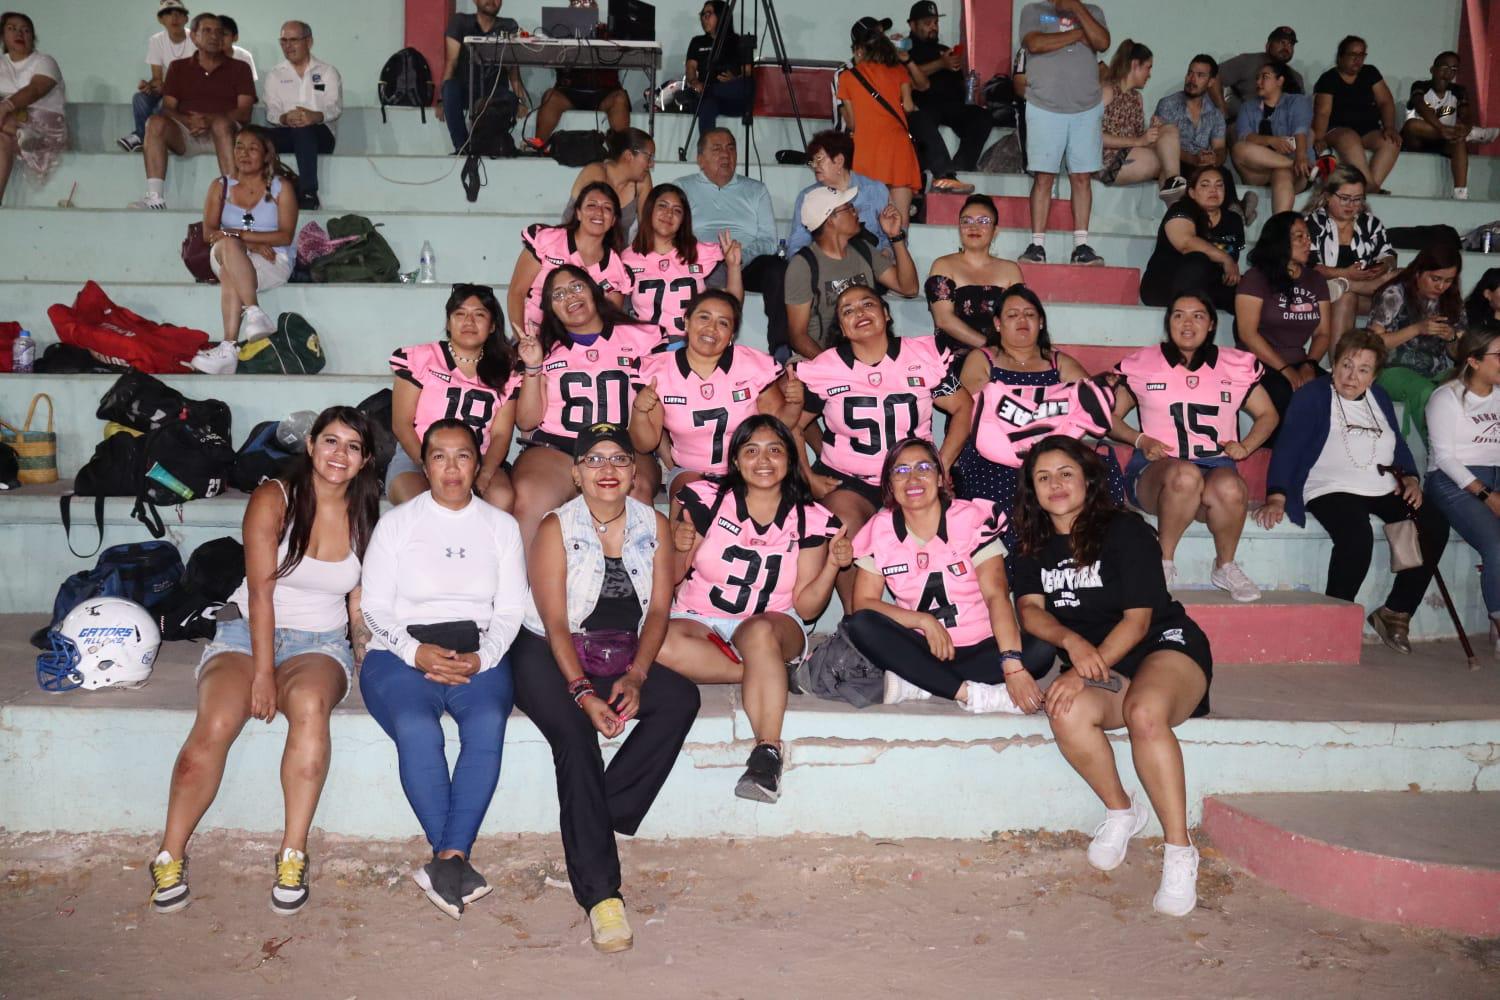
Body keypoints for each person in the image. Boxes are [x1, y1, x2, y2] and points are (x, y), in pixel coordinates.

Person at [148, 407, 380, 917]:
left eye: (353, 447)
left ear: (364, 461)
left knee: (311, 707)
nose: (339, 454)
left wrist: (366, 657)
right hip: (247, 631)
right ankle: (169, 852)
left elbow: (357, 600)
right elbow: (260, 594)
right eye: (330, 442)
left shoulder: (367, 512)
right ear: (311, 445)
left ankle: (292, 852)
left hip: (319, 641)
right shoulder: (273, 497)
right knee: (216, 720)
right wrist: (261, 674)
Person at [512, 421, 699, 953]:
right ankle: (601, 897)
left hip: (616, 650)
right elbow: (552, 624)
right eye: (594, 460)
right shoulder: (555, 527)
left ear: (634, 470)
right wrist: (583, 693)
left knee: (679, 699)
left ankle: (601, 809)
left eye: (618, 458)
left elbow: (660, 609)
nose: (608, 469)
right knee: (576, 739)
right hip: (548, 653)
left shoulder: (653, 524)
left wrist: (638, 675)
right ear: (576, 473)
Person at [1010, 435, 1213, 917]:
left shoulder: (1126, 530)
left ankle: (1180, 850)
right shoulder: (1031, 544)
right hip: (1099, 662)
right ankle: (1122, 810)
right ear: (1032, 490)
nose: (1055, 484)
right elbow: (1031, 612)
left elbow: (1139, 620)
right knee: (1064, 710)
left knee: (1145, 712)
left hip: (1163, 648)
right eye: (1043, 477)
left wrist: (1083, 666)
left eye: (1065, 473)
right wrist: (1072, 644)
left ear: (1087, 478)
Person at [359, 419, 526, 920]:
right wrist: (415, 653)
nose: (451, 468)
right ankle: (453, 857)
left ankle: (446, 860)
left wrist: (483, 657)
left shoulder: (501, 526)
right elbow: (373, 609)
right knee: (416, 727)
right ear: (424, 464)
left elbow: (511, 609)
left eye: (462, 456)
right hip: (399, 652)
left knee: (486, 724)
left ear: (478, 464)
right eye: (438, 456)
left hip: (477, 650)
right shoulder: (399, 523)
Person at [660, 416, 846, 802]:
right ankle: (771, 674)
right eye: (752, 450)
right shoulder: (707, 498)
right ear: (736, 460)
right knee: (656, 643)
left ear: (791, 460)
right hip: (700, 618)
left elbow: (807, 606)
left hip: (772, 622)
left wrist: (831, 565)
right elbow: (674, 577)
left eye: (775, 450)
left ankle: (767, 752)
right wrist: (679, 546)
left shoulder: (810, 518)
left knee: (760, 633)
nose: (764, 460)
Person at [1255, 329, 1448, 654]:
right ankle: (1334, 619)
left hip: (1382, 486)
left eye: (1362, 370)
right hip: (1330, 487)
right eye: (1346, 365)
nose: (1351, 376)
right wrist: (1276, 494)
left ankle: (1396, 612)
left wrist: (1412, 478)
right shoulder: (1312, 395)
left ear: (1374, 375)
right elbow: (1288, 447)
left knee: (1433, 524)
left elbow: (1396, 444)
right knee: (1355, 536)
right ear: (1335, 362)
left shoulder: (1380, 398)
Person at [797, 284, 972, 604]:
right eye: (847, 310)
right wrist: (810, 472)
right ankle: (856, 623)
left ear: (886, 314)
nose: (859, 313)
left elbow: (964, 407)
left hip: (913, 475)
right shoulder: (826, 366)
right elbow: (794, 426)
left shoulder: (921, 354)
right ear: (842, 327)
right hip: (850, 480)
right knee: (840, 529)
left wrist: (942, 463)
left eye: (867, 305)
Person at [847, 437, 1043, 713]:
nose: (913, 479)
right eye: (901, 471)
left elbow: (996, 596)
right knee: (861, 624)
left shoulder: (971, 518)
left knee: (1042, 648)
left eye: (923, 468)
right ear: (890, 484)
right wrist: (923, 621)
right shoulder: (880, 528)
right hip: (922, 647)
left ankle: (923, 682)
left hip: (980, 645)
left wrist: (1012, 666)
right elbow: (864, 603)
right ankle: (969, 694)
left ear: (940, 478)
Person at [1109, 292, 1278, 599]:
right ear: (1168, 322)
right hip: (1156, 475)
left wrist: (1247, 445)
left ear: (1211, 324)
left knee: (1231, 488)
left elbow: (1268, 414)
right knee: (1185, 475)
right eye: (1179, 315)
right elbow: (1109, 417)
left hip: (1213, 469)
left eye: (1198, 315)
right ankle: (1163, 561)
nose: (1188, 323)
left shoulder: (1234, 365)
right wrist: (1140, 439)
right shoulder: (1145, 363)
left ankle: (1225, 565)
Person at [510, 266, 662, 543]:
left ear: (594, 291)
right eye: (558, 294)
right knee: (530, 497)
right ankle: (530, 586)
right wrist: (533, 367)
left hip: (624, 444)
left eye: (577, 287)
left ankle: (635, 584)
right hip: (558, 447)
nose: (569, 296)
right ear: (550, 308)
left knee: (636, 494)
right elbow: (527, 421)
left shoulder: (641, 337)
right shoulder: (541, 346)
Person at [954, 284, 1120, 521]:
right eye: (1012, 315)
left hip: (1054, 455)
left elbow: (1094, 405)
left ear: (1040, 322)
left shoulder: (1058, 362)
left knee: (1099, 471)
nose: (1022, 319)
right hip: (994, 456)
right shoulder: (982, 358)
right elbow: (971, 407)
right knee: (1006, 487)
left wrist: (1138, 439)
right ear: (998, 324)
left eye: (1030, 314)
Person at [632, 289, 795, 505]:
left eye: (723, 323)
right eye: (704, 317)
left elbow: (779, 426)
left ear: (732, 335)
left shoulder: (752, 365)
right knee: (689, 517)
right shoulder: (659, 370)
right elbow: (644, 444)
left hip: (748, 468)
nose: (712, 328)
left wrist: (795, 403)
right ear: (686, 322)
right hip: (689, 470)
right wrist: (640, 411)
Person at [388, 284, 521, 510]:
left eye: (479, 315)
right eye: (460, 314)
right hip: (418, 454)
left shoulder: (505, 371)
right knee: (421, 505)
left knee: (501, 497)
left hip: (475, 458)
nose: (469, 322)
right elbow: (401, 424)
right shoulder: (421, 358)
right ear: (449, 323)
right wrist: (427, 465)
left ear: (492, 326)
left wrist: (485, 473)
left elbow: (500, 434)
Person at [188, 125, 299, 375]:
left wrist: (238, 235)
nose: (244, 153)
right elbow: (209, 234)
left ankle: (228, 348)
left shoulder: (282, 187)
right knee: (227, 248)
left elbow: (285, 235)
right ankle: (254, 311)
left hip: (273, 260)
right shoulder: (220, 186)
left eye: (252, 148)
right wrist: (251, 244)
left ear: (266, 154)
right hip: (226, 252)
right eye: (239, 146)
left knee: (230, 270)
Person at [674, 128, 788, 358]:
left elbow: (768, 240)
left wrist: (737, 255)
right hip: (701, 264)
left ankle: (781, 347)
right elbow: (674, 232)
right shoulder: (683, 187)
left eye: (730, 148)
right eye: (716, 149)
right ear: (700, 159)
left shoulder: (755, 190)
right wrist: (712, 255)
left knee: (777, 269)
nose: (725, 154)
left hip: (746, 264)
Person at [1017, 0, 1111, 267]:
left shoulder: (1092, 12)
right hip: (1044, 105)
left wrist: (1077, 8)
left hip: (1086, 107)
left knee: (1081, 177)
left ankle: (1081, 246)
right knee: (1044, 177)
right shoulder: (1033, 11)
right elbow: (1035, 43)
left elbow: (1102, 42)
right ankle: (1037, 245)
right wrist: (1079, 35)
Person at [131, 13, 254, 210]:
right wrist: (188, 121)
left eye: (219, 32)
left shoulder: (240, 68)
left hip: (225, 136)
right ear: (194, 37)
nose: (214, 36)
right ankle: (154, 197)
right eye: (207, 31)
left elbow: (245, 112)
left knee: (221, 123)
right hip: (186, 134)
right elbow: (168, 108)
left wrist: (210, 120)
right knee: (154, 122)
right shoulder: (178, 67)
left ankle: (233, 198)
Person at [1425, 327, 1500, 649]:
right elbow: (1445, 458)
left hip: (1495, 473)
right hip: (1454, 479)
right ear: (1474, 360)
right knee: (1496, 546)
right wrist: (1486, 494)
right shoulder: (1447, 397)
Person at [784, 187, 917, 360]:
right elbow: (797, 336)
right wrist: (836, 367)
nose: (856, 212)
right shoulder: (803, 265)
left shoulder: (863, 250)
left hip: (869, 350)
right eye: (849, 208)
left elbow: (909, 288)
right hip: (822, 356)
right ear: (830, 219)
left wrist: (895, 236)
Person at [1234, 211, 1331, 423]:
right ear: (1280, 241)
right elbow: (1247, 334)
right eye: (1299, 237)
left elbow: (1323, 333)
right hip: (1260, 363)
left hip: (1299, 361)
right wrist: (1285, 370)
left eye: (1308, 237)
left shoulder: (1316, 280)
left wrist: (1310, 364)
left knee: (1333, 393)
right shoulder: (1256, 278)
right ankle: (1273, 455)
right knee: (1284, 396)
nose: (1308, 242)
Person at [507, 181, 633, 338]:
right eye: (591, 205)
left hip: (577, 353)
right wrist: (522, 342)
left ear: (614, 220)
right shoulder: (547, 240)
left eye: (607, 208)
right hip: (531, 339)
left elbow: (609, 322)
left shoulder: (616, 270)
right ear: (578, 213)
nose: (599, 212)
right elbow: (516, 293)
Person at [1367, 242, 1464, 444]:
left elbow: (1460, 353)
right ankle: (1438, 455)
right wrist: (1417, 329)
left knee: (1466, 387)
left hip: (1437, 371)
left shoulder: (1451, 300)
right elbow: (1372, 343)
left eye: (1448, 281)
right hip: (1391, 370)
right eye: (1435, 279)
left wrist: (1452, 338)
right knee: (1426, 392)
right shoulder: (1395, 294)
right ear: (1419, 272)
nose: (1441, 286)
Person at [620, 184, 741, 342]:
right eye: (662, 206)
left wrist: (733, 267)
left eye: (677, 210)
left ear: (683, 220)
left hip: (691, 347)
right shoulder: (628, 257)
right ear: (650, 210)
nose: (669, 214)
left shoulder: (703, 253)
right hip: (645, 348)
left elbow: (730, 308)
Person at [836, 17, 924, 224]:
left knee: (866, 222)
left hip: (867, 150)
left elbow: (853, 124)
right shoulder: (899, 71)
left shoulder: (848, 77)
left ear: (859, 50)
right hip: (898, 149)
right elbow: (909, 106)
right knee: (900, 225)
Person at [902, 0, 991, 192]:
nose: (933, 27)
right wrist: (941, 64)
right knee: (920, 119)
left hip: (951, 105)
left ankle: (960, 167)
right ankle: (945, 174)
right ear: (912, 24)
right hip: (923, 106)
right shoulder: (904, 50)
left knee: (982, 116)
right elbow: (906, 78)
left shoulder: (944, 49)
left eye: (935, 22)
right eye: (927, 23)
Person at [1154, 54, 1254, 222]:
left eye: (1200, 75)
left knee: (1222, 173)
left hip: (1201, 164)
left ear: (1211, 82)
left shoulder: (1215, 113)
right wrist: (1194, 159)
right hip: (1177, 163)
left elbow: (1221, 148)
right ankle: (1234, 209)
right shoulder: (1168, 104)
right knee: (1191, 174)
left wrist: (1214, 158)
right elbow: (1162, 143)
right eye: (1190, 73)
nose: (1192, 79)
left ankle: (1235, 211)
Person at [1303, 164, 1396, 343]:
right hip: (1321, 294)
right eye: (1345, 198)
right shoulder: (1314, 223)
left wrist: (1384, 266)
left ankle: (1345, 285)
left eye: (1357, 199)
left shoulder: (1369, 223)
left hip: (1365, 290)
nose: (1351, 205)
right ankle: (1339, 364)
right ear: (1328, 196)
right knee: (1345, 298)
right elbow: (1310, 267)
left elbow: (1388, 254)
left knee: (1401, 275)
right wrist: (1345, 273)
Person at [924, 194, 1024, 356]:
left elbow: (1020, 316)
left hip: (1003, 354)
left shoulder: (1010, 270)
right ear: (959, 228)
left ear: (995, 231)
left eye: (983, 221)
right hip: (955, 355)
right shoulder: (943, 265)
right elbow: (944, 320)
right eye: (966, 221)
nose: (974, 227)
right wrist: (991, 349)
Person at [1138, 165, 1243, 312]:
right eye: (1205, 185)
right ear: (1192, 193)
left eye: (1219, 185)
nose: (1213, 190)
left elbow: (1233, 260)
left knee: (1251, 290)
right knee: (1197, 260)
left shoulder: (1233, 220)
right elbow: (1186, 243)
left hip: (1210, 286)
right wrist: (1225, 258)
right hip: (1166, 285)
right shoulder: (1181, 208)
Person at [263, 21, 341, 211]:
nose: (288, 46)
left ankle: (308, 193)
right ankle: (253, 194)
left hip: (320, 134)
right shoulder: (275, 74)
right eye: (283, 41)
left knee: (304, 130)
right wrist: (284, 118)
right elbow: (271, 111)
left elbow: (335, 107)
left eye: (293, 40)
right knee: (251, 135)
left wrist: (315, 116)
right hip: (287, 132)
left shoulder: (327, 72)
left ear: (309, 41)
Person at [530, 0, 630, 147]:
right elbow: (548, 59)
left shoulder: (609, 32)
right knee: (550, 96)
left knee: (620, 98)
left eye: (588, 3)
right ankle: (538, 146)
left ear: (595, 8)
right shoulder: (560, 33)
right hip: (569, 94)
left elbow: (627, 49)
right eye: (577, 3)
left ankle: (622, 152)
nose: (583, 6)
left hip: (604, 94)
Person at [1403, 51, 1500, 201]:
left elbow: (1466, 114)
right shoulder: (1420, 86)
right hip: (1417, 140)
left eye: (1454, 69)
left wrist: (1466, 127)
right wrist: (1442, 129)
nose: (1449, 72)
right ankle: (1473, 134)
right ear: (1432, 69)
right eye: (1444, 67)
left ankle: (1460, 194)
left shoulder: (1458, 91)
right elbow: (1420, 106)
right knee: (1412, 124)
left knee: (1459, 139)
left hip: (1445, 141)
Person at [1095, 40, 1184, 202]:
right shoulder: (1107, 91)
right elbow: (1093, 136)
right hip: (1106, 162)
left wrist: (1152, 132)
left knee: (1169, 130)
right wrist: (1140, 140)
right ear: (1135, 65)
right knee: (1158, 160)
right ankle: (1176, 198)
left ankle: (1173, 188)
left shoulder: (1137, 98)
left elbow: (1138, 140)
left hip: (1132, 154)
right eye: (1148, 68)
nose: (1149, 74)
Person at [1312, 36, 1401, 193]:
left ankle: (1369, 187)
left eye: (1361, 55)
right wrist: (1319, 138)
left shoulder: (1370, 73)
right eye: (1353, 55)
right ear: (1341, 57)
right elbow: (1323, 113)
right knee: (1350, 137)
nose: (1357, 60)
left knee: (1391, 142)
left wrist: (1389, 127)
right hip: (1337, 130)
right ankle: (1369, 185)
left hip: (1368, 130)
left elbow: (1385, 102)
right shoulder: (1329, 78)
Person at [786, 130, 892, 258]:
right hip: (826, 268)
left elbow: (890, 237)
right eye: (812, 161)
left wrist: (883, 258)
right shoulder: (808, 196)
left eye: (819, 159)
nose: (814, 165)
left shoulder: (874, 189)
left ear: (839, 161)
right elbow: (798, 242)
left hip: (872, 266)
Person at [437, 0, 524, 155]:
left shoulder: (509, 25)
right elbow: (451, 62)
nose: (492, 1)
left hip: (495, 93)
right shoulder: (460, 22)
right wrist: (442, 99)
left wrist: (521, 100)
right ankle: (462, 147)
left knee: (509, 99)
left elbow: (513, 69)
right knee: (450, 88)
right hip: (466, 91)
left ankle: (483, 145)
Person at [0, 11, 65, 205]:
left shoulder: (44, 61)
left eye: (25, 30)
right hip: (8, 129)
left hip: (43, 127)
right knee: (2, 141)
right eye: (12, 29)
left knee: (9, 122)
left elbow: (35, 89)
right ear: (3, 35)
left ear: (32, 37)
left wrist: (5, 107)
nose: (19, 33)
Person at [1231, 60, 1312, 214]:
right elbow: (1245, 136)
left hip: (1293, 175)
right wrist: (1271, 141)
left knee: (1281, 173)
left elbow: (1301, 130)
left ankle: (1279, 229)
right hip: (1258, 173)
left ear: (1279, 81)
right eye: (1257, 78)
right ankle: (1292, 164)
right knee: (1239, 148)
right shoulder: (1248, 107)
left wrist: (1301, 155)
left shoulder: (1296, 101)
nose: (1258, 82)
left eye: (1265, 77)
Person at [120, 1, 193, 153]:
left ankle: (147, 137)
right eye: (168, 14)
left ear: (186, 19)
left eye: (179, 14)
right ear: (161, 20)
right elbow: (157, 77)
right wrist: (150, 85)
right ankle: (142, 136)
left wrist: (165, 87)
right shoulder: (156, 40)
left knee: (162, 105)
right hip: (168, 90)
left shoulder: (195, 39)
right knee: (139, 98)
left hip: (189, 94)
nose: (174, 18)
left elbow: (197, 78)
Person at [563, 128, 654, 241]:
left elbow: (647, 227)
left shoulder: (642, 179)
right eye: (649, 157)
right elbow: (585, 229)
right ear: (628, 155)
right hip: (578, 246)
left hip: (617, 253)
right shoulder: (596, 172)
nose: (651, 164)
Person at [685, 1, 751, 143]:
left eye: (709, 14)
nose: (704, 18)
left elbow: (748, 72)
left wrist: (735, 78)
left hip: (731, 97)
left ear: (721, 16)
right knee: (707, 105)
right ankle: (706, 148)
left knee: (748, 84)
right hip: (706, 98)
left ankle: (708, 90)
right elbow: (690, 69)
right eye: (702, 14)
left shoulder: (738, 41)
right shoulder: (697, 42)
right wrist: (694, 82)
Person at [1210, 25, 1303, 123]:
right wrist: (1223, 114)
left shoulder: (1296, 78)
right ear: (1268, 45)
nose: (1286, 47)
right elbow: (1213, 76)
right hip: (1242, 125)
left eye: (1290, 44)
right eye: (1281, 42)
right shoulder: (1247, 61)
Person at [216, 16, 257, 82]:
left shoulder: (245, 57)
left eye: (224, 34)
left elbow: (248, 86)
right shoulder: (204, 57)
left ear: (235, 37)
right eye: (217, 34)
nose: (220, 38)